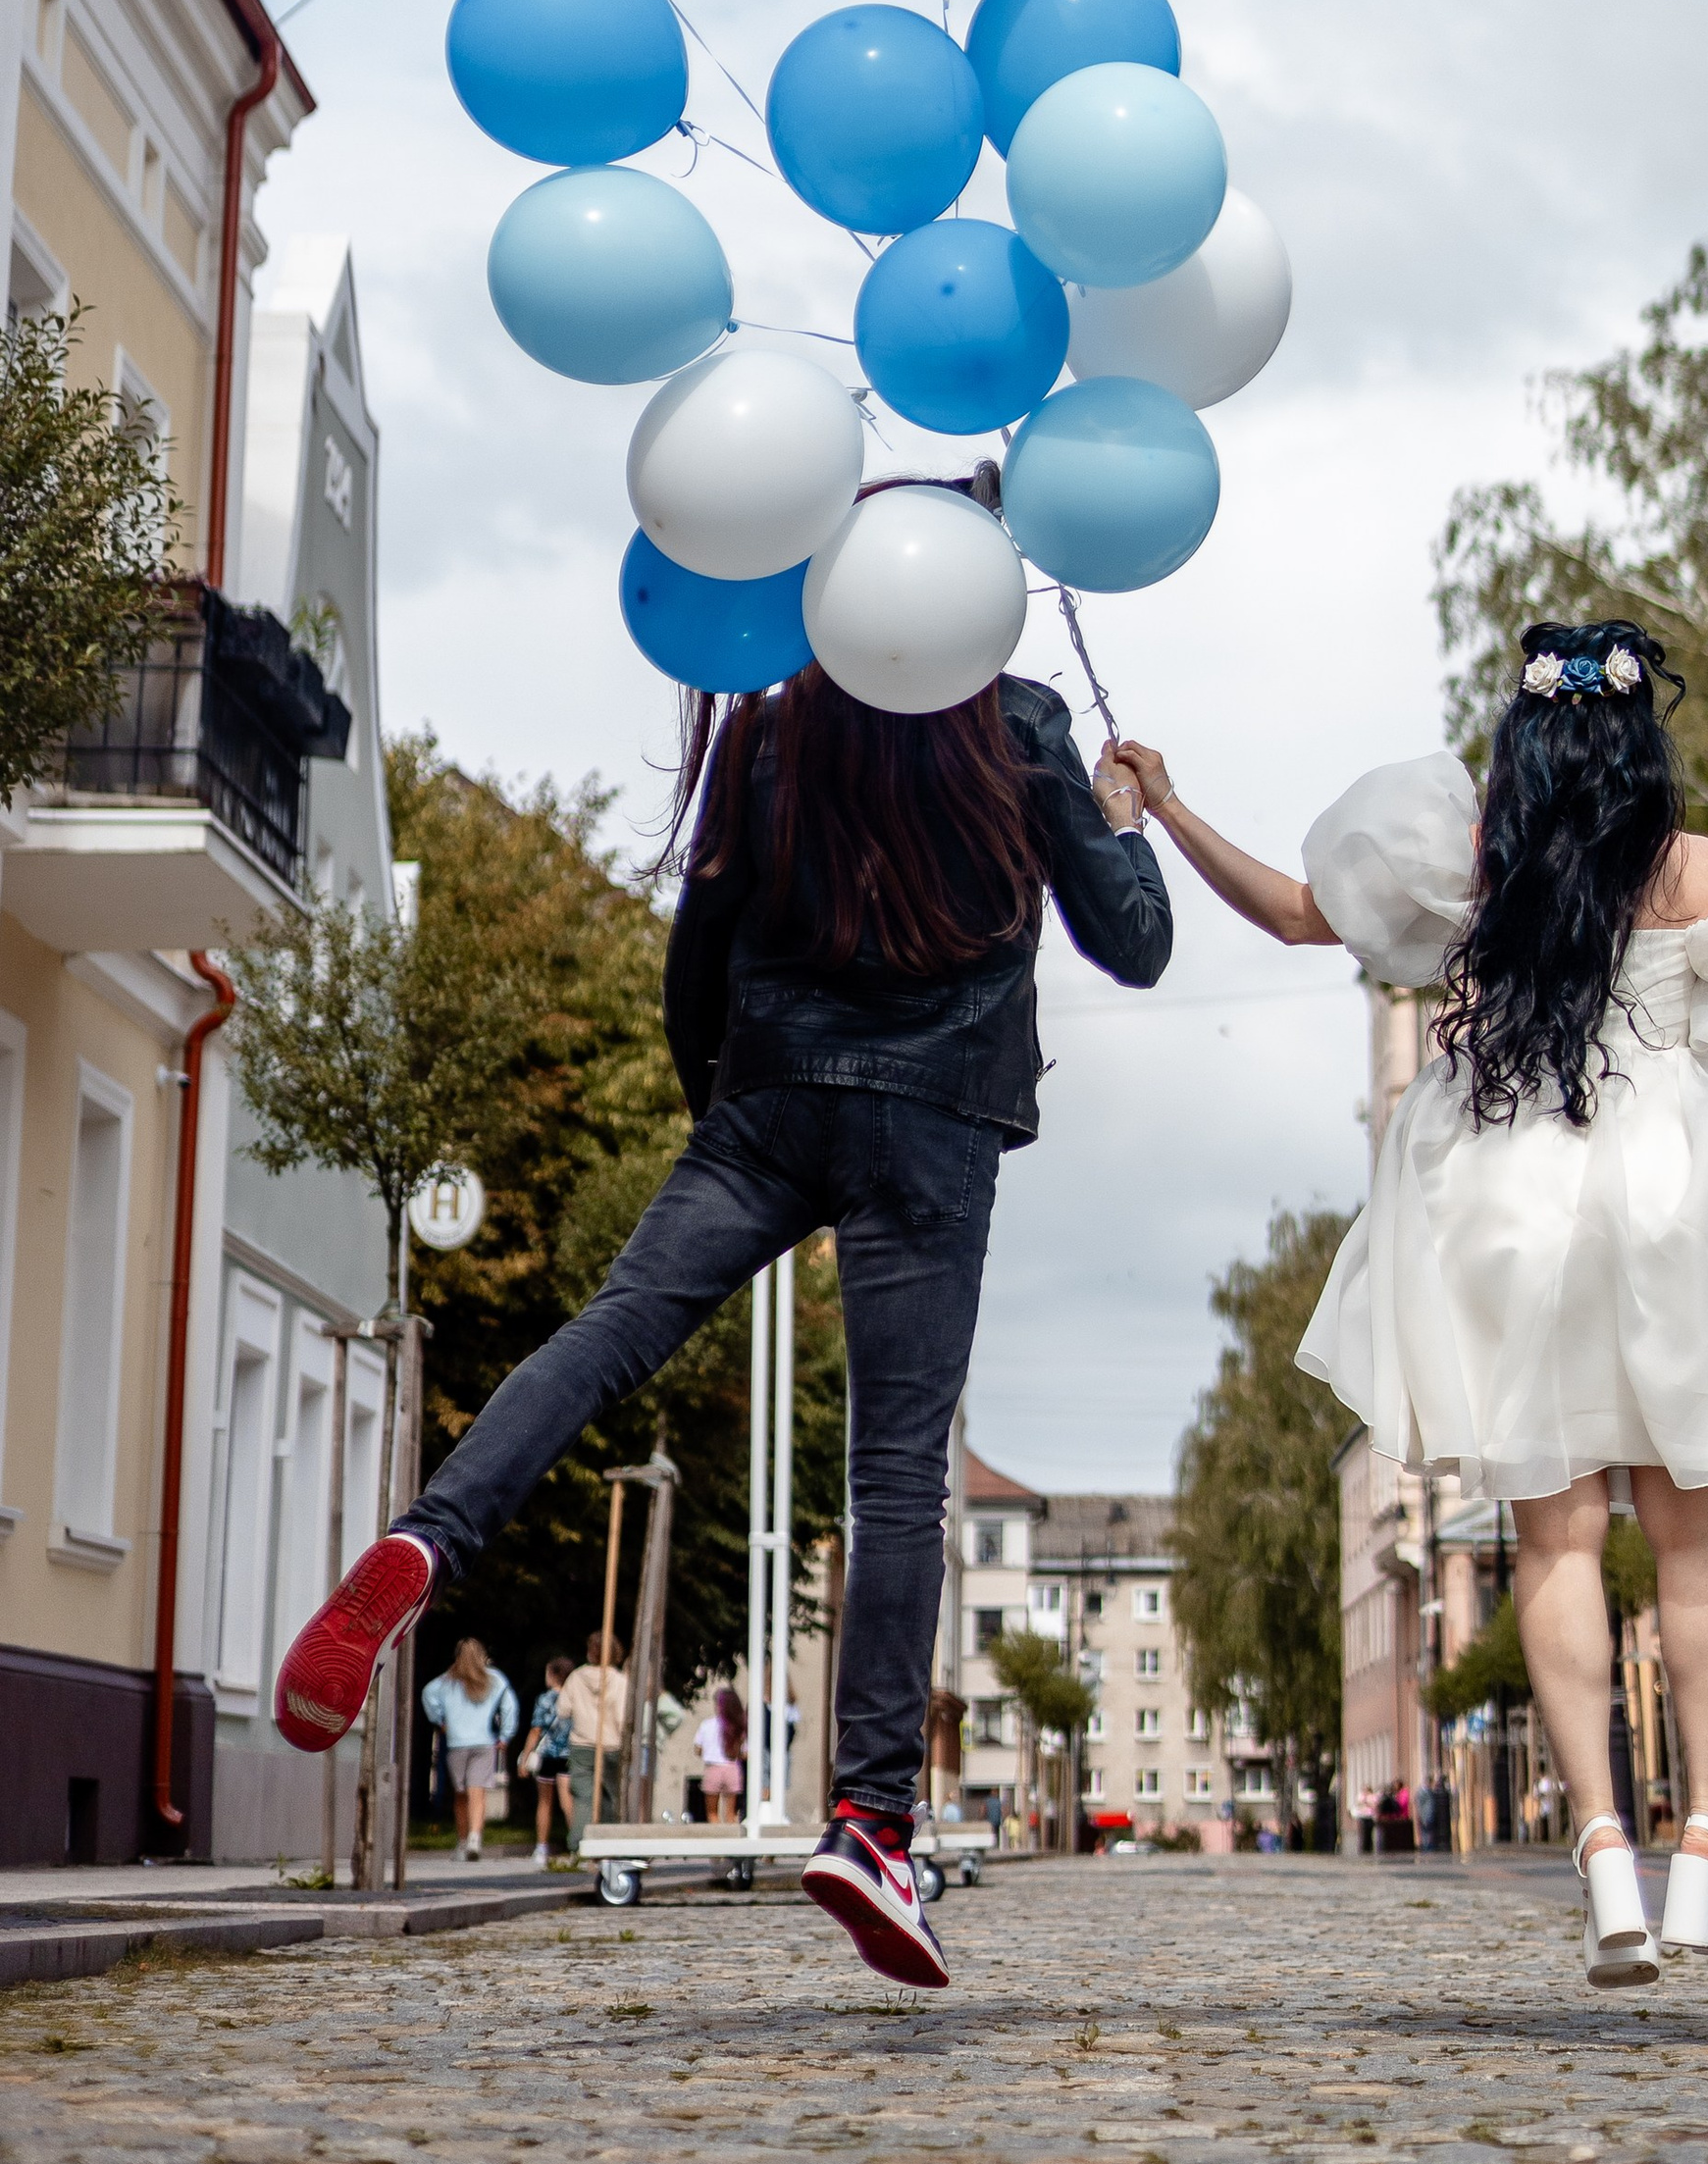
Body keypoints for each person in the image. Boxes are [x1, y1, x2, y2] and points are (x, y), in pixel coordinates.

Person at [273, 605, 1169, 1991]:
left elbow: (696, 957)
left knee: (612, 1329)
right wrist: (1123, 821)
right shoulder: (1024, 725)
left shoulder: (775, 721)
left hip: (764, 1103)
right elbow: (1138, 942)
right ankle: (871, 1823)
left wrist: (733, 1121)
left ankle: (432, 1540)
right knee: (893, 1476)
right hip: (934, 1126)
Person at [1114, 611, 1708, 1990]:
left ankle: (1601, 1856)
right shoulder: (1692, 867)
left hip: (1515, 1203)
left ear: (1520, 746)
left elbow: (1293, 912)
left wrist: (1168, 804)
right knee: (1693, 1539)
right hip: (1672, 1194)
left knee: (1558, 1540)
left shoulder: (1480, 870)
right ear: (1641, 741)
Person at [419, 1639, 518, 1861]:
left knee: (461, 1796)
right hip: (483, 1742)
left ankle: (462, 1843)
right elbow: (509, 1706)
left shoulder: (447, 1681)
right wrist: (505, 1735)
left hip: (456, 1743)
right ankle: (475, 1839)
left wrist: (440, 1720)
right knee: (478, 1792)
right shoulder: (495, 1679)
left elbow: (427, 1693)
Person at [558, 1630, 630, 1850]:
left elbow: (563, 1710)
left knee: (583, 1797)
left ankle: (578, 1842)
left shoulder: (577, 1677)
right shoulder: (619, 1681)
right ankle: (607, 1843)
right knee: (611, 1796)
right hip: (611, 1744)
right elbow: (622, 1716)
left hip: (582, 1744)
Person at [517, 1655, 573, 1867]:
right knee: (568, 1802)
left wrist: (524, 1757)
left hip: (548, 1754)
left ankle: (541, 1846)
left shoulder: (545, 1699)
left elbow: (536, 1730)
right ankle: (575, 1843)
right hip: (570, 1754)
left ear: (555, 1675)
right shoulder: (575, 1697)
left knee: (545, 1802)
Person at [697, 1683, 747, 1827]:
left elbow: (698, 1749)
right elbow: (744, 1753)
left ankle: (717, 1843)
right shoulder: (738, 1727)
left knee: (712, 1813)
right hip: (732, 1768)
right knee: (730, 1813)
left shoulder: (707, 1725)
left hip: (713, 1767)